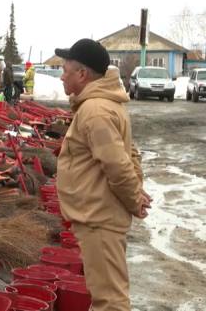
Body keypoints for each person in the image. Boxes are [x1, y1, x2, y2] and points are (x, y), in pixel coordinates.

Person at [55, 38, 151, 311]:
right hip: (100, 214)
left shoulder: (95, 111)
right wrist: (136, 192)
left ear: (82, 74)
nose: (62, 76)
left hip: (99, 219)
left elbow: (119, 165)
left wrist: (134, 199)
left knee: (110, 302)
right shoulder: (102, 104)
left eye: (66, 70)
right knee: (108, 296)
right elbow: (128, 152)